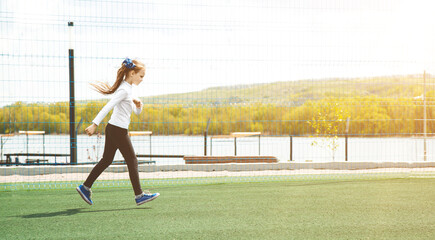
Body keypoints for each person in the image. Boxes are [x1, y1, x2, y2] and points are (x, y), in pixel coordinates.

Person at [76, 58, 159, 206]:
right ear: (132, 73)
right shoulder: (124, 90)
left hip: (114, 128)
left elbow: (135, 112)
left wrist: (139, 106)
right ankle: (139, 195)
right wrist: (94, 124)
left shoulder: (128, 89)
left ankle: (85, 187)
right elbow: (108, 106)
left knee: (107, 160)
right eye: (141, 76)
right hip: (118, 130)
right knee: (132, 161)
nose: (142, 79)